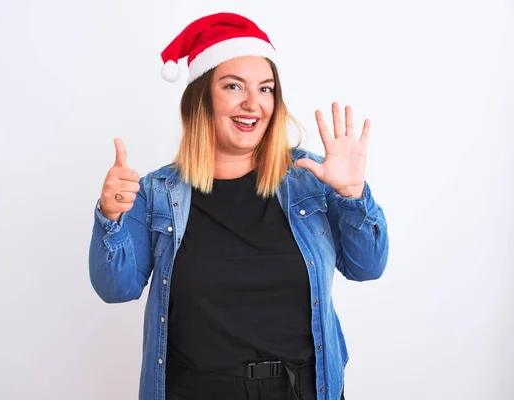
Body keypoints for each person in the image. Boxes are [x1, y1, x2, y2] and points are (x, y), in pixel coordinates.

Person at [89, 12, 389, 400]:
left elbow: (368, 267)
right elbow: (116, 288)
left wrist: (353, 195)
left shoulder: (310, 180)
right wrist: (110, 217)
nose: (253, 103)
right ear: (201, 98)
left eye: (265, 89)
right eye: (234, 86)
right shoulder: (158, 192)